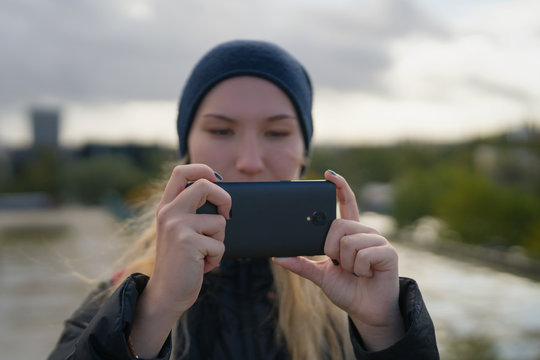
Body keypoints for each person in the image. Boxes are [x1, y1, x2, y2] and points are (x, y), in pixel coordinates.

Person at [47, 40, 439, 360]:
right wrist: (154, 311)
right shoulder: (122, 303)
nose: (249, 161)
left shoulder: (348, 304)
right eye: (221, 131)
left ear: (304, 152)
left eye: (276, 132)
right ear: (187, 152)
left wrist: (385, 332)